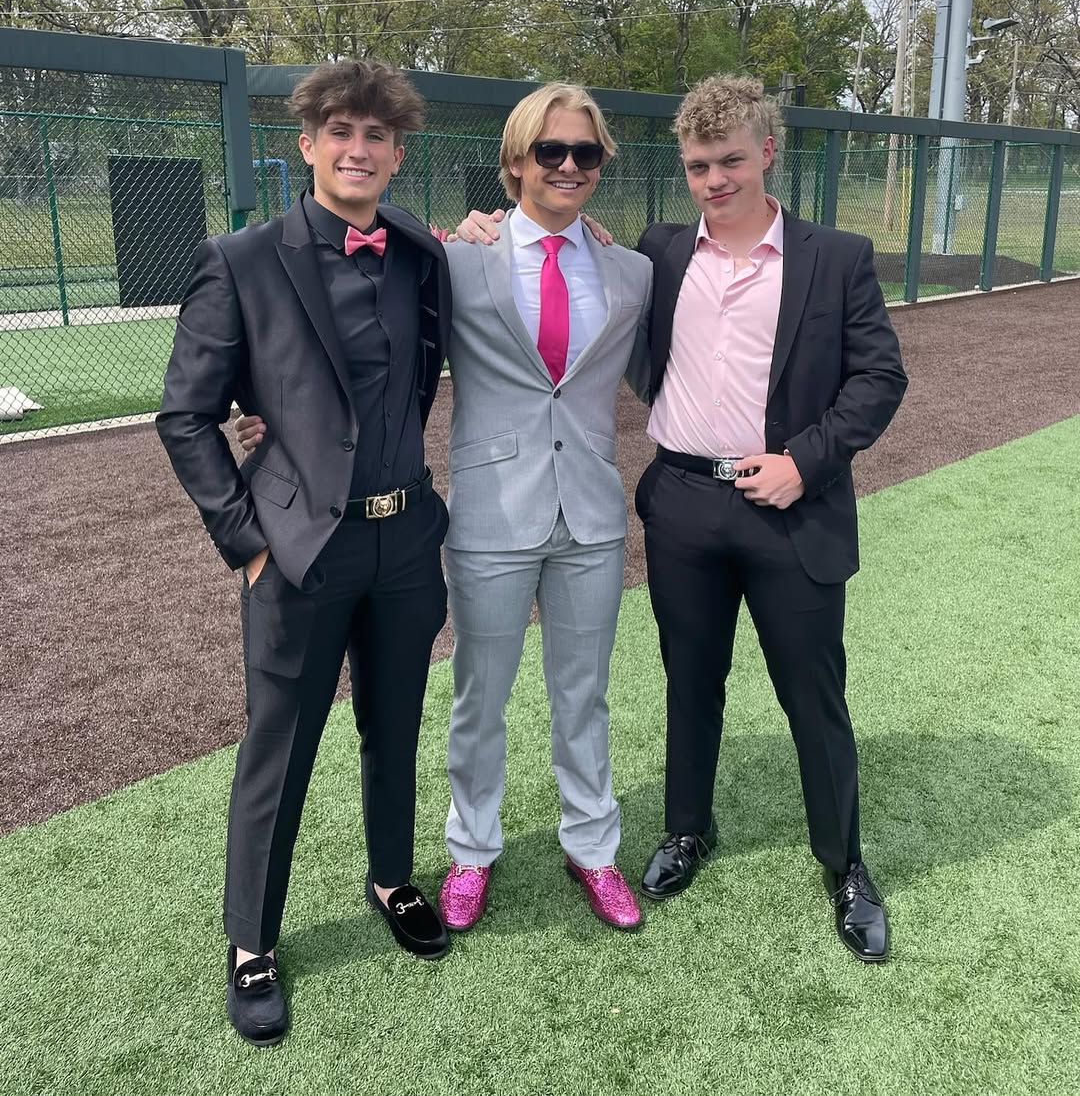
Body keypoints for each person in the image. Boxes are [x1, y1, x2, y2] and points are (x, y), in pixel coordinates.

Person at [459, 74, 908, 962]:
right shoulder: (658, 253)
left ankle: (845, 865)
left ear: (767, 152)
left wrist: (804, 462)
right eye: (699, 166)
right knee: (690, 680)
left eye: (730, 160)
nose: (715, 180)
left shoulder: (837, 256)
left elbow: (879, 378)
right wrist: (479, 225)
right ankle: (686, 829)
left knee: (812, 692)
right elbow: (575, 277)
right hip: (683, 502)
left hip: (789, 502)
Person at [240, 83, 652, 933]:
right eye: (550, 151)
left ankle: (593, 849)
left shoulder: (632, 272)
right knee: (479, 697)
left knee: (585, 696)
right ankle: (471, 851)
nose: (568, 166)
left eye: (584, 153)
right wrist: (272, 415)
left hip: (591, 517)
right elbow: (358, 344)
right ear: (515, 163)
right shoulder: (453, 259)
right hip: (490, 514)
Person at [157, 59, 453, 1048]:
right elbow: (186, 416)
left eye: (376, 135)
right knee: (279, 749)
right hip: (295, 553)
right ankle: (252, 942)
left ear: (398, 152)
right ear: (308, 143)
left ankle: (391, 877)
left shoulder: (419, 251)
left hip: (406, 539)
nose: (358, 149)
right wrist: (246, 542)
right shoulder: (240, 260)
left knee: (395, 724)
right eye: (341, 131)